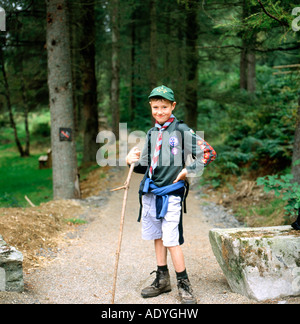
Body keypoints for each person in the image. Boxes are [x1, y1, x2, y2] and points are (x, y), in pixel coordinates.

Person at [126, 85, 217, 304]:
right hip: (151, 193)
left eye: (164, 107)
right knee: (157, 237)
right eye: (155, 107)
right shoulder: (152, 133)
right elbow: (147, 166)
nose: (159, 111)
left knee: (171, 239)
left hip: (171, 194)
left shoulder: (181, 130)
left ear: (172, 106)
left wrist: (189, 170)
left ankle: (184, 284)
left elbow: (208, 152)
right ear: (151, 107)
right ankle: (162, 279)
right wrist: (131, 161)